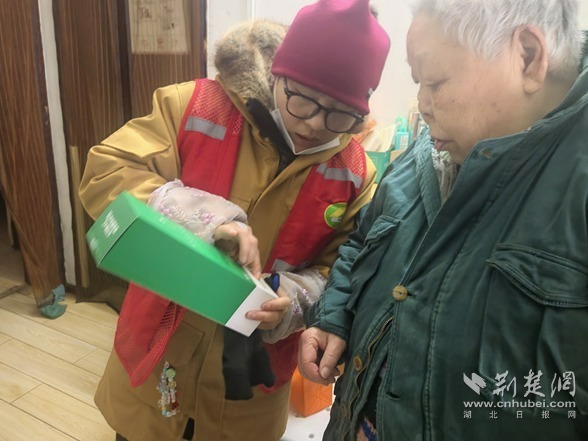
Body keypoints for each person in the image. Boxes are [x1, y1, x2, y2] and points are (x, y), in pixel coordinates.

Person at [78, 0, 390, 440]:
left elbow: (344, 269)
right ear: (278, 73)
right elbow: (105, 172)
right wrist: (207, 221)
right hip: (160, 351)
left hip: (251, 387)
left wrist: (292, 302)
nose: (315, 125)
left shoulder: (356, 173)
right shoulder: (194, 105)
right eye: (302, 99)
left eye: (340, 113)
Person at [299, 0, 588, 440]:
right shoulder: (425, 155)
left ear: (528, 57)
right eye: (419, 83)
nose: (422, 104)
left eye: (434, 82)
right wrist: (333, 316)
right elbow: (360, 244)